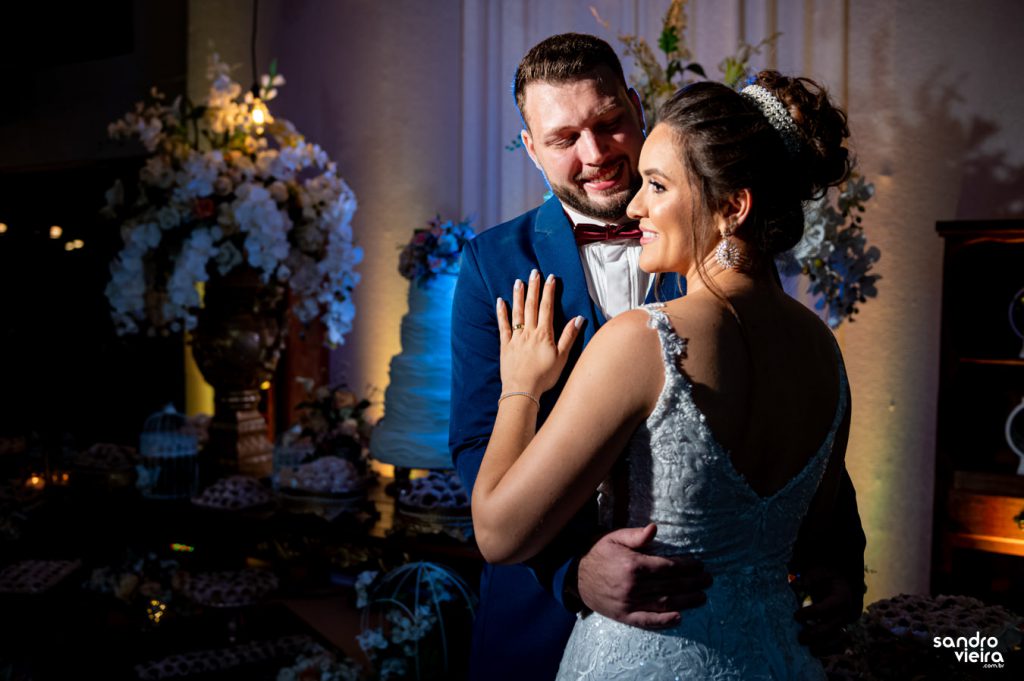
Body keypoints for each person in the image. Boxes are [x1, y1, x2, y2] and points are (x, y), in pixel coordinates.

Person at [450, 33, 866, 680]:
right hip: (543, 621)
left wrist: (839, 562)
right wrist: (574, 569)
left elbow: (785, 427)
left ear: (637, 107)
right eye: (564, 140)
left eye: (610, 123)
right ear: (531, 149)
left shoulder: (715, 240)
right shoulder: (492, 265)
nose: (595, 155)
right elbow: (479, 446)